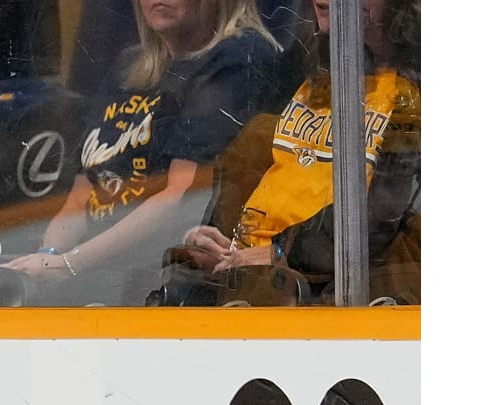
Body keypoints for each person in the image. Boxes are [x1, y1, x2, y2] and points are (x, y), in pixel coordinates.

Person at [2, 0, 295, 304]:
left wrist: (67, 265)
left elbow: (178, 197)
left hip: (160, 276)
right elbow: (81, 196)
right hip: (93, 268)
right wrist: (46, 259)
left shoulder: (239, 57)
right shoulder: (130, 65)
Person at [165, 0, 419, 304]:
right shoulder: (288, 74)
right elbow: (246, 181)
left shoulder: (416, 94)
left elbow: (380, 220)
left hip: (326, 299)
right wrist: (210, 240)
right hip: (243, 287)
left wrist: (281, 252)